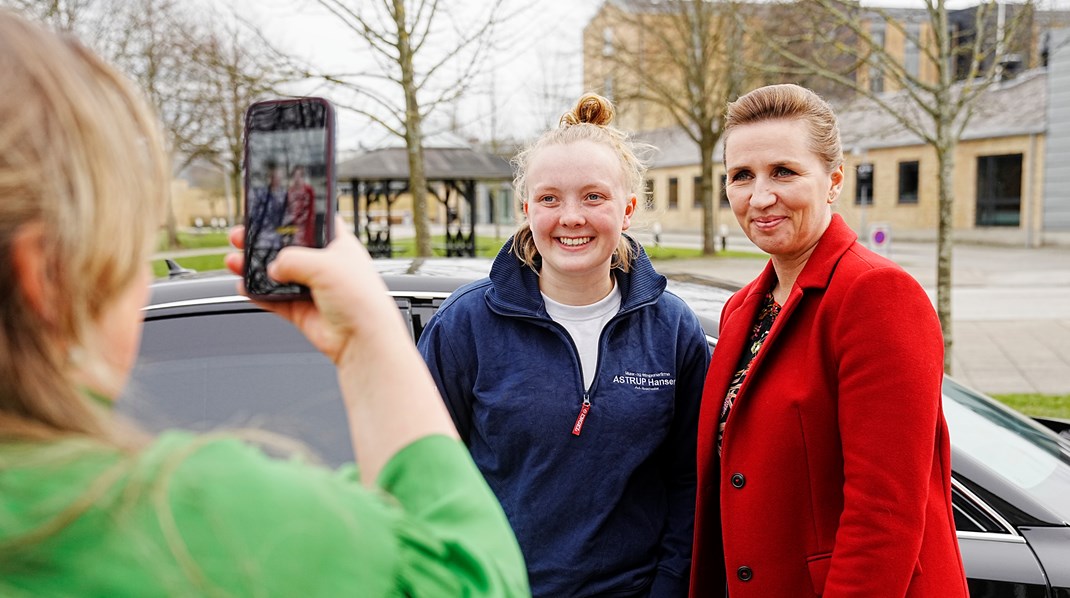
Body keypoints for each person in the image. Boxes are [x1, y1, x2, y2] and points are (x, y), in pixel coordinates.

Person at [0, 11, 527, 596]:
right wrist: (367, 339)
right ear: (47, 277)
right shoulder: (203, 524)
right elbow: (474, 578)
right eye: (130, 254)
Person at [418, 93, 711, 598]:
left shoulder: (672, 328)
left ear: (628, 209)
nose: (571, 217)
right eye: (550, 198)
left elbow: (692, 481)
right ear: (528, 208)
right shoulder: (464, 324)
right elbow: (425, 475)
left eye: (593, 197)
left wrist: (667, 588)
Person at [690, 83, 968, 597]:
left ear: (834, 180)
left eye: (784, 172)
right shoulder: (741, 309)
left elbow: (882, 515)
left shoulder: (877, 295)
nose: (760, 196)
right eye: (741, 176)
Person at [284, 165, 316, 247]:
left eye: (300, 176)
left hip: (305, 227)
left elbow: (311, 211)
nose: (297, 178)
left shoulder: (308, 191)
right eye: (295, 175)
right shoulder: (290, 192)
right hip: (292, 227)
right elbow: (287, 210)